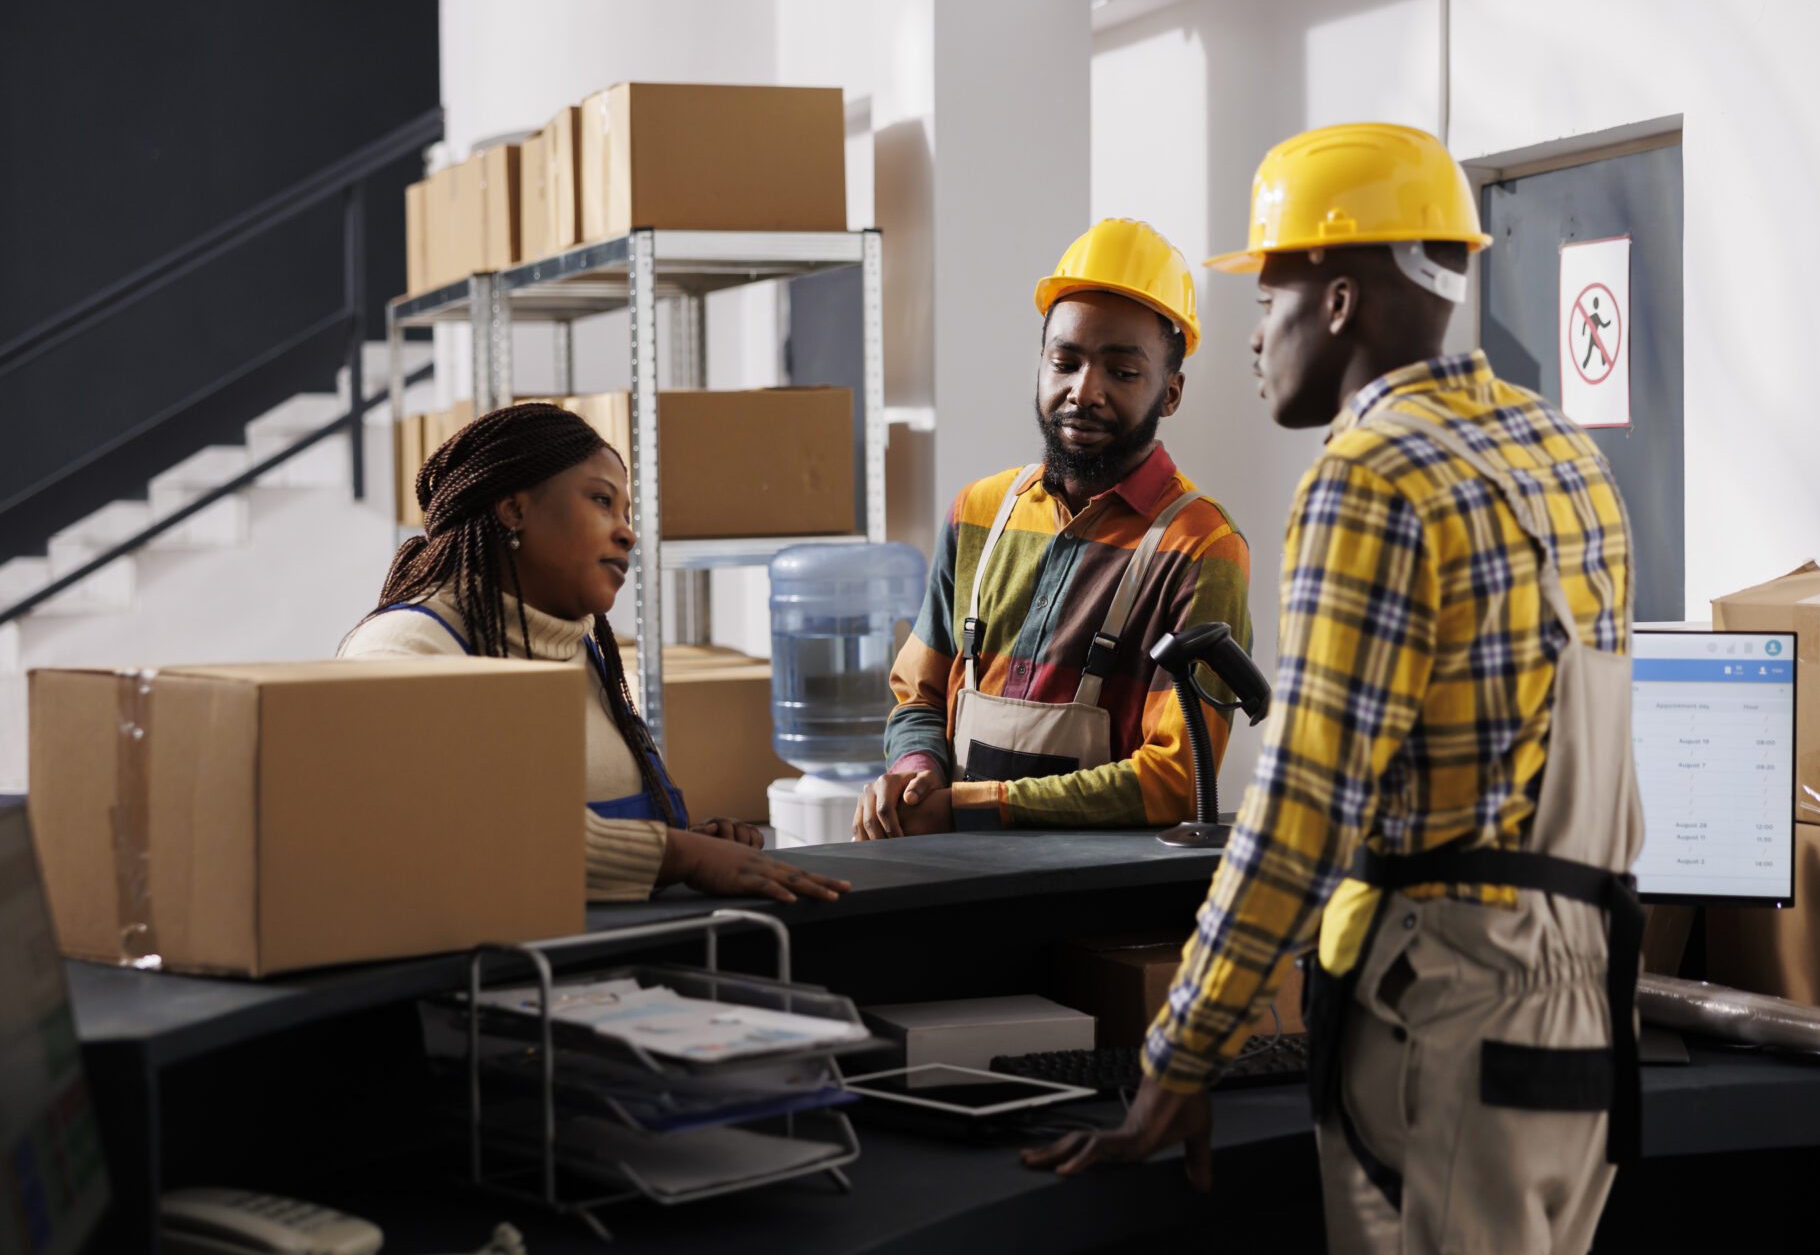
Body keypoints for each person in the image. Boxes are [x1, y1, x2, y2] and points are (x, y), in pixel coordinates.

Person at [1023, 125, 1644, 1255]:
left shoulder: (1370, 474)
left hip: (1454, 1006)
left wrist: (1180, 1051)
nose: (1256, 333)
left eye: (1271, 293)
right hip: (1588, 1001)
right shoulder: (1563, 451)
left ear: (1342, 298)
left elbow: (1304, 812)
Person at [340, 403, 851, 906]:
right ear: (514, 509)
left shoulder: (580, 653)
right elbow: (469, 831)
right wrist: (677, 856)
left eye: (627, 513)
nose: (628, 532)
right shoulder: (403, 648)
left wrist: (696, 844)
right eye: (602, 501)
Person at [854, 219, 1252, 839]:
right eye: (1064, 361)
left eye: (1122, 373)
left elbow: (1173, 780)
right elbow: (919, 696)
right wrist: (914, 771)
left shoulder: (1201, 547)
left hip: (1092, 901)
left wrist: (967, 807)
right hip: (954, 873)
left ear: (1170, 393)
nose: (1082, 392)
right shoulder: (980, 511)